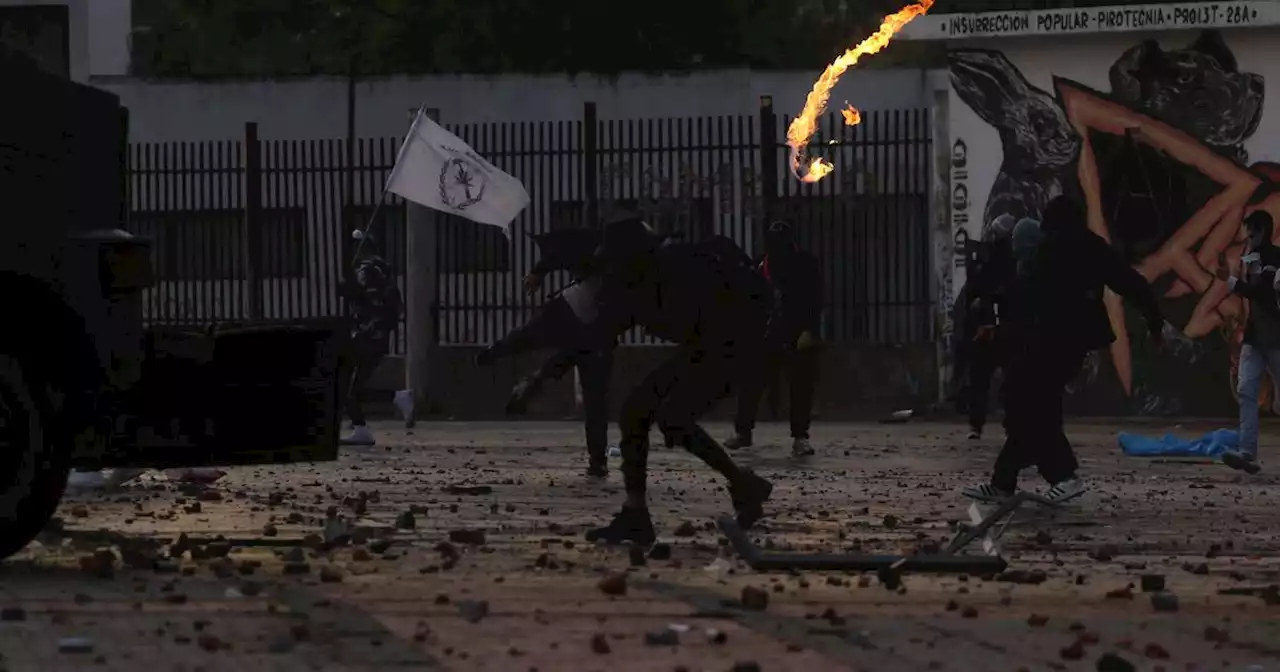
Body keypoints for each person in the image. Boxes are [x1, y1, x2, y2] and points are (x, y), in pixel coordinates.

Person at [506, 216, 775, 546]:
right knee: (637, 412)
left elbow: (736, 314)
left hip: (738, 347)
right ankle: (639, 514)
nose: (611, 271)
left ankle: (741, 486)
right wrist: (538, 380)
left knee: (671, 417)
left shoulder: (685, 267)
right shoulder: (630, 286)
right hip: (707, 349)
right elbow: (594, 338)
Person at [963, 196, 1165, 505]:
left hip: (1051, 342)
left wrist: (995, 313)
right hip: (1071, 343)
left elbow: (1026, 294)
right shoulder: (1092, 247)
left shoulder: (1050, 249)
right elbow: (1131, 283)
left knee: (1028, 404)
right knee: (1034, 408)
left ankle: (1061, 477)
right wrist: (1154, 321)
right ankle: (1006, 481)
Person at [478, 227, 616, 478]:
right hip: (595, 327)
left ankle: (527, 372)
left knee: (589, 386)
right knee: (593, 394)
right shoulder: (616, 256)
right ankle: (597, 459)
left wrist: (538, 272)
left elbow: (563, 252)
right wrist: (539, 271)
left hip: (589, 324)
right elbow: (563, 252)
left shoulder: (610, 253)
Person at [723, 221, 823, 457]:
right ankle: (743, 433)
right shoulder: (761, 264)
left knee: (800, 388)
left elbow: (815, 298)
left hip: (797, 333)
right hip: (765, 335)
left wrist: (809, 329)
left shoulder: (805, 263)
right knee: (751, 385)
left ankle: (800, 437)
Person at [1224, 209, 1280, 474]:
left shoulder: (1274, 259)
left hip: (1276, 339)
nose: (1248, 237)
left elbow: (1262, 292)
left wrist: (1232, 282)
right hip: (1256, 338)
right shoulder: (1253, 260)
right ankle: (1247, 451)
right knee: (1246, 390)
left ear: (1262, 232)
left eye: (1251, 231)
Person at [338, 240, 403, 446]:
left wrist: (351, 290)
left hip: (369, 341)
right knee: (353, 388)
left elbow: (373, 309)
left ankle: (361, 428)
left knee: (348, 386)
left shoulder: (373, 282)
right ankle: (396, 398)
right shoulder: (378, 278)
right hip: (371, 341)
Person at [955, 234, 1016, 439]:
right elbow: (971, 300)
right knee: (980, 380)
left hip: (1005, 330)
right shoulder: (982, 266)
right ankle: (977, 424)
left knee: (1010, 380)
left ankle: (1010, 423)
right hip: (985, 332)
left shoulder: (1012, 265)